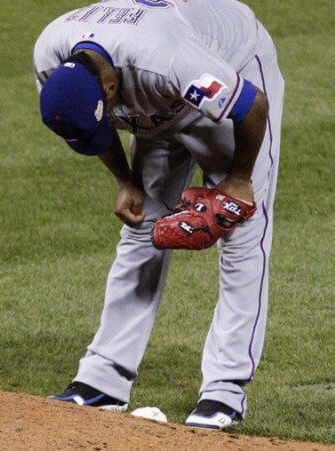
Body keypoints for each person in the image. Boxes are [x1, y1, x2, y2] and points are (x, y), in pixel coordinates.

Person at [32, 0, 284, 430]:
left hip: (231, 65)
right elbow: (93, 128)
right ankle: (102, 380)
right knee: (140, 227)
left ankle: (224, 392)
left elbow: (250, 105)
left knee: (240, 228)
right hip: (157, 102)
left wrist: (239, 179)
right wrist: (126, 181)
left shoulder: (166, 58)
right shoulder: (51, 61)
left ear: (110, 89)